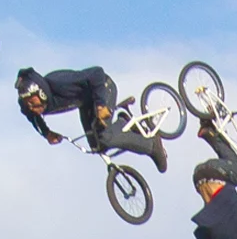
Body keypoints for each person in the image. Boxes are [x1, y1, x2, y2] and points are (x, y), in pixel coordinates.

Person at [14, 68, 168, 172]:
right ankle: (123, 123)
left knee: (106, 138)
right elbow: (32, 117)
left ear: (41, 93)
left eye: (33, 103)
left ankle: (153, 145)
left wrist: (101, 106)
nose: (33, 108)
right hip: (86, 103)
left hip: (102, 89)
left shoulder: (59, 83)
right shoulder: (28, 107)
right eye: (28, 105)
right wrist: (47, 133)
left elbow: (97, 73)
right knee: (98, 146)